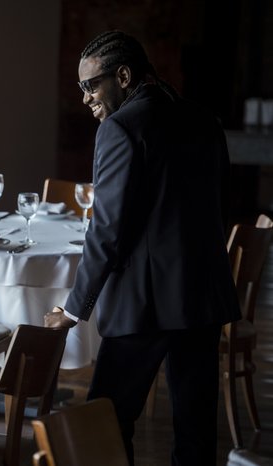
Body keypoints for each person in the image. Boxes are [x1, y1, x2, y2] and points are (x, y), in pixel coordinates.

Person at [44, 31, 241, 465]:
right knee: (196, 431)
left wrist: (73, 310)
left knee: (106, 422)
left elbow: (107, 231)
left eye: (91, 85)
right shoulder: (204, 120)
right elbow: (218, 209)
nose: (85, 98)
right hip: (202, 299)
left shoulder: (120, 128)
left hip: (145, 304)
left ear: (125, 76)